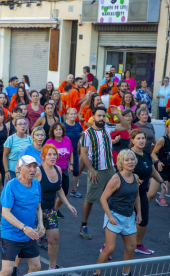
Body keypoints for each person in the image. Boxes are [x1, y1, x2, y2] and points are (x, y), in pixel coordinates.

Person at [13, 145, 77, 274]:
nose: (52, 157)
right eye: (49, 154)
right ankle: (13, 268)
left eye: (54, 154)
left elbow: (58, 189)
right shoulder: (38, 171)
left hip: (50, 211)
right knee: (28, 242)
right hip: (35, 211)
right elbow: (25, 185)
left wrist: (68, 205)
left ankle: (52, 267)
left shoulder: (58, 169)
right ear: (43, 157)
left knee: (54, 240)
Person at [80, 105, 130, 239]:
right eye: (99, 116)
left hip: (111, 169)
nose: (102, 118)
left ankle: (113, 224)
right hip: (96, 170)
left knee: (114, 197)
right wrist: (91, 170)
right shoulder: (87, 133)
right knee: (90, 199)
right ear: (94, 117)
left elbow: (126, 126)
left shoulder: (108, 127)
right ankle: (83, 226)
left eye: (103, 116)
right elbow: (83, 154)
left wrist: (117, 114)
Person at [95, 149, 141, 276]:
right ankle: (96, 273)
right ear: (121, 162)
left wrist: (139, 214)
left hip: (129, 217)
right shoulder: (116, 178)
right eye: (127, 160)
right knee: (109, 249)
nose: (130, 162)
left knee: (131, 248)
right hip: (114, 216)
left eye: (132, 159)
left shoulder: (135, 177)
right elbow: (103, 198)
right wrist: (110, 216)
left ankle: (126, 273)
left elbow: (137, 197)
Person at [0, 155, 44, 276]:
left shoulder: (36, 185)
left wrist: (40, 224)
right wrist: (24, 228)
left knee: (36, 266)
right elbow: (5, 212)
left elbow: (38, 207)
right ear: (20, 168)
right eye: (29, 166)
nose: (33, 170)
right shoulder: (11, 186)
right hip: (11, 234)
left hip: (29, 234)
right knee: (7, 271)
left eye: (34, 166)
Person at [130, 129, 167, 255]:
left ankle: (137, 245)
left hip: (141, 194)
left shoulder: (146, 154)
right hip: (127, 195)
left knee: (143, 220)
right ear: (132, 140)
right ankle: (107, 247)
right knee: (119, 221)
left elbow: (152, 171)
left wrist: (161, 182)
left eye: (143, 138)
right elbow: (120, 172)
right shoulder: (129, 155)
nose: (141, 140)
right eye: (138, 138)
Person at [0, 118, 33, 230]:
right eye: (20, 124)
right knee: (6, 194)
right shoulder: (11, 139)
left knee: (22, 195)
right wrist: (6, 171)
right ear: (15, 126)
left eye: (24, 124)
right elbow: (5, 155)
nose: (22, 126)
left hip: (25, 173)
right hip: (11, 171)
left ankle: (18, 219)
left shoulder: (30, 140)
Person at [45, 122, 74, 219]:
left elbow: (71, 153)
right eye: (56, 129)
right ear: (53, 131)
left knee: (64, 191)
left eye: (60, 129)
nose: (58, 131)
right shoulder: (49, 142)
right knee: (53, 192)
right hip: (53, 170)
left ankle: (55, 209)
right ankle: (50, 211)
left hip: (65, 170)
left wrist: (71, 164)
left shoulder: (67, 139)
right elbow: (44, 156)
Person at [63, 108, 83, 197]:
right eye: (71, 114)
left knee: (76, 171)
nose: (73, 115)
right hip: (64, 152)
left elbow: (81, 134)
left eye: (74, 114)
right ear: (67, 115)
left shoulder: (78, 125)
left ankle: (74, 190)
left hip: (74, 151)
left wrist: (80, 144)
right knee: (61, 171)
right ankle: (57, 189)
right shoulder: (63, 126)